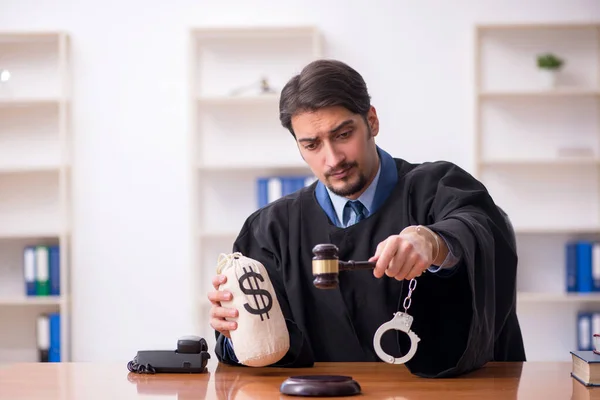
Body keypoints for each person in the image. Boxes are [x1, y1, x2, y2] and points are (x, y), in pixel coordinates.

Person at [207, 59, 526, 378]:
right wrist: (237, 332)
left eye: (343, 134)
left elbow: (479, 228)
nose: (332, 159)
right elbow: (261, 347)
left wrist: (434, 242)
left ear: (371, 121)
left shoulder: (439, 186)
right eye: (312, 145)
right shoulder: (270, 230)